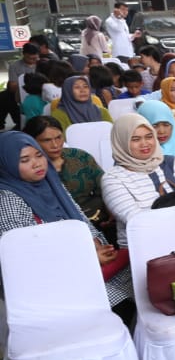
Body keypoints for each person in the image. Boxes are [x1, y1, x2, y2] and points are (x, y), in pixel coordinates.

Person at [0, 131, 133, 321]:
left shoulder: (52, 184)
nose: (37, 163)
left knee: (140, 284)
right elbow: (25, 258)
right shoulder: (7, 200)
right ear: (7, 165)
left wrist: (97, 244)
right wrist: (86, 256)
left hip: (83, 265)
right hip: (50, 282)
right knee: (122, 308)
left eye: (39, 155)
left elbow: (81, 219)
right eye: (24, 160)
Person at [101, 114, 175, 246]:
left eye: (149, 137)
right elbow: (136, 220)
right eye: (135, 139)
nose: (145, 144)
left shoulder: (171, 162)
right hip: (145, 247)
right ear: (121, 142)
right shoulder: (113, 178)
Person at [24, 115, 114, 237]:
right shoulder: (30, 170)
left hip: (100, 218)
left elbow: (105, 187)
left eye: (58, 137)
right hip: (61, 228)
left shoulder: (80, 157)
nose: (55, 145)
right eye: (47, 140)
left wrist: (112, 212)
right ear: (32, 141)